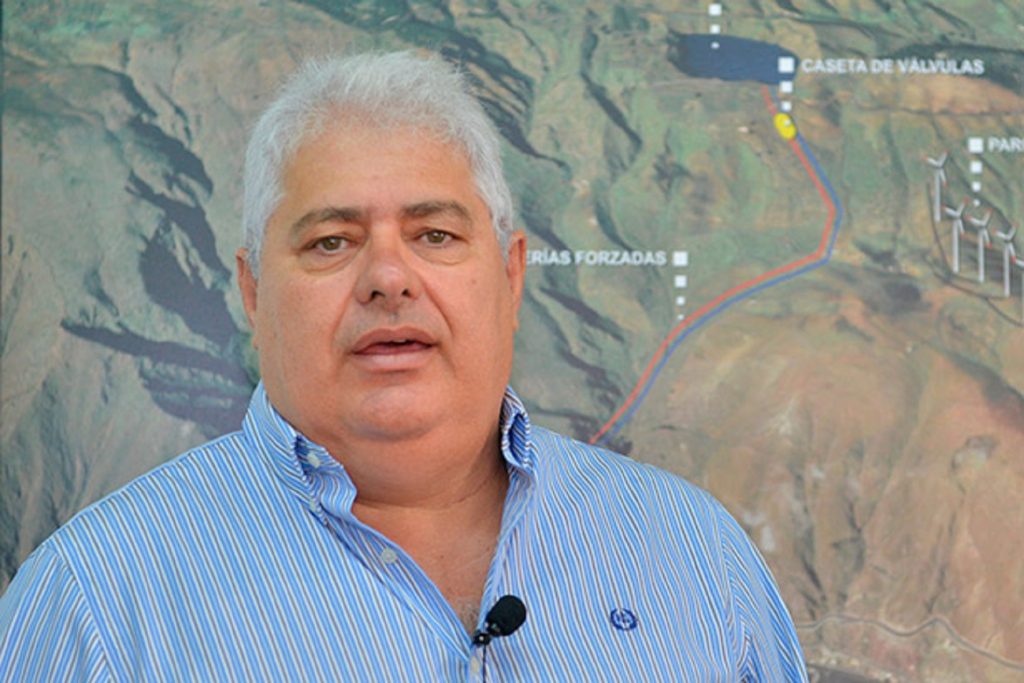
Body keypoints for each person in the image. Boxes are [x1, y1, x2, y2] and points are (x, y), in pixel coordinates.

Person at [0, 51, 808, 681]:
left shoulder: (691, 550)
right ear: (252, 291)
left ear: (511, 276)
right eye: (331, 241)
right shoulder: (94, 605)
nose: (389, 277)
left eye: (435, 235)